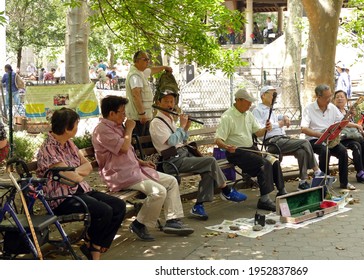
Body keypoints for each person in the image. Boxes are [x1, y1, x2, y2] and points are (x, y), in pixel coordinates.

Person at [92, 95, 193, 241]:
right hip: (120, 175)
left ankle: (173, 220)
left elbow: (126, 153)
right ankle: (139, 224)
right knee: (158, 192)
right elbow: (124, 147)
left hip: (134, 170)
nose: (125, 115)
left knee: (171, 181)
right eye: (122, 112)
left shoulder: (117, 126)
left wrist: (140, 161)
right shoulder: (102, 130)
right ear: (112, 113)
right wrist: (130, 129)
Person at [36, 108, 126, 260]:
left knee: (118, 206)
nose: (77, 128)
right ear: (66, 128)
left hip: (81, 190)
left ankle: (93, 244)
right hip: (62, 198)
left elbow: (88, 166)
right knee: (104, 211)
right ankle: (95, 251)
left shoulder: (69, 144)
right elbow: (73, 178)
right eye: (76, 124)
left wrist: (76, 172)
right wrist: (78, 173)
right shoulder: (48, 150)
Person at [150, 92, 247, 220]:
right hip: (172, 161)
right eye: (166, 101)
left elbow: (181, 141)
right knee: (210, 161)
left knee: (208, 171)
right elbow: (172, 142)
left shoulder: (169, 119)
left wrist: (185, 128)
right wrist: (182, 126)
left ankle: (198, 206)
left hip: (183, 155)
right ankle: (226, 190)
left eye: (172, 102)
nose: (170, 105)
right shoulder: (156, 123)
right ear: (158, 103)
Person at [215, 88, 287, 212]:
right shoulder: (227, 116)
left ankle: (281, 191)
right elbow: (218, 140)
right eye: (248, 101)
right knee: (263, 165)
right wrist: (226, 147)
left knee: (274, 161)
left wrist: (266, 129)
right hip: (236, 152)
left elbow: (257, 132)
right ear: (239, 100)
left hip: (251, 149)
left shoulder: (248, 114)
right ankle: (264, 199)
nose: (250, 104)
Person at [252, 85, 324, 190]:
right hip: (272, 142)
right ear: (263, 95)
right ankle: (317, 171)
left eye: (275, 95)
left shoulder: (271, 109)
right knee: (304, 142)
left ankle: (303, 182)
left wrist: (285, 117)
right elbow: (260, 129)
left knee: (302, 151)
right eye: (273, 94)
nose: (274, 97)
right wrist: (279, 124)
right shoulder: (257, 110)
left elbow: (278, 117)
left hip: (282, 139)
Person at [301, 84, 355, 190]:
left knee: (343, 151)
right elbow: (304, 129)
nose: (329, 99)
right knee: (325, 151)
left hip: (329, 139)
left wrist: (350, 116)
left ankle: (344, 182)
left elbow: (341, 121)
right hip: (314, 139)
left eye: (330, 96)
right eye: (326, 97)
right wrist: (319, 135)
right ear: (318, 96)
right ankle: (323, 182)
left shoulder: (332, 107)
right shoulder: (309, 109)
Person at [125, 50, 172, 136]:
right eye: (145, 59)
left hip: (143, 117)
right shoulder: (135, 76)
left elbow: (151, 70)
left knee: (146, 142)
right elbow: (136, 95)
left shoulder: (140, 72)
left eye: (148, 59)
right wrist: (142, 113)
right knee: (141, 143)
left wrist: (164, 67)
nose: (148, 61)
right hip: (138, 118)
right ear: (137, 61)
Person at [333, 89, 364, 183]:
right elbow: (341, 123)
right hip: (342, 137)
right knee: (356, 146)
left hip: (352, 135)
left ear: (346, 99)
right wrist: (356, 125)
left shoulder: (347, 111)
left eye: (342, 97)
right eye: (337, 97)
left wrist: (363, 132)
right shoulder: (333, 111)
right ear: (334, 100)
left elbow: (354, 126)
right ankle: (360, 172)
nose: (340, 99)